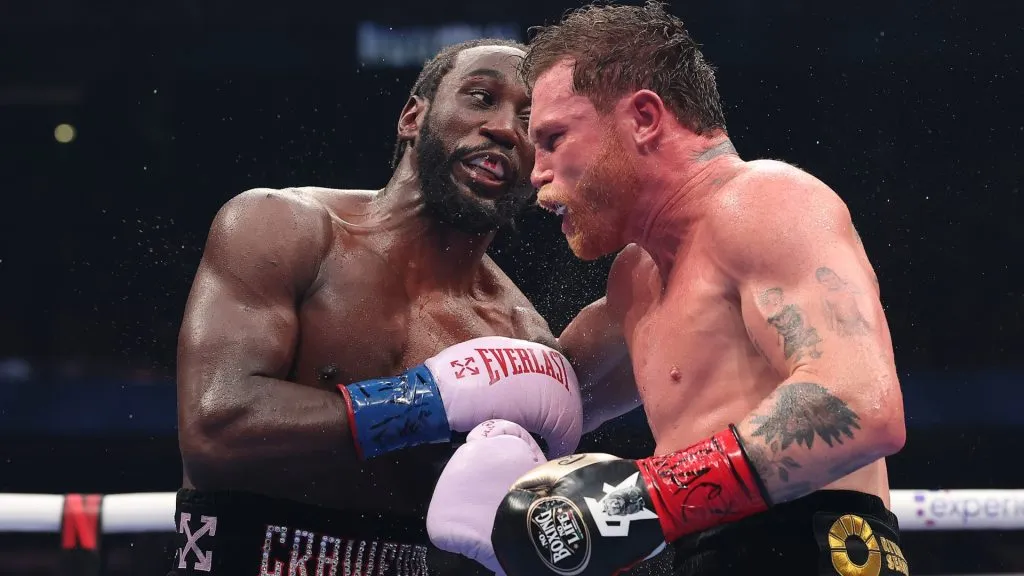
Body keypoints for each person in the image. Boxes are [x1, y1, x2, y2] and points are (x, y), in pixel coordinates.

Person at [490, 3, 910, 576]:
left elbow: (860, 405)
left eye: (553, 138)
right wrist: (409, 405)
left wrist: (647, 498)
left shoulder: (765, 202)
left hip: (815, 549)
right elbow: (544, 396)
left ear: (643, 117)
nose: (535, 172)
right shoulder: (634, 282)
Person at [171, 38, 585, 576]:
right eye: (481, 97)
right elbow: (213, 431)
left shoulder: (521, 342)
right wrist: (424, 404)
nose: (506, 129)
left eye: (531, 123)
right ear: (413, 117)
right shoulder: (283, 228)